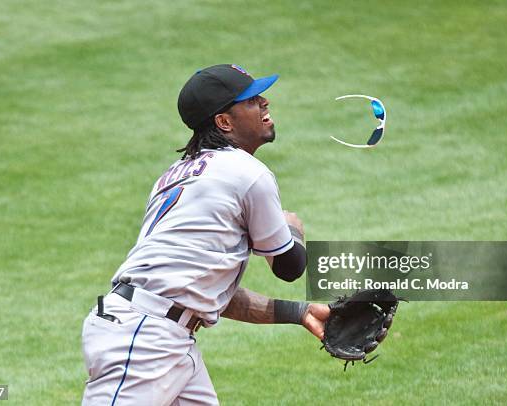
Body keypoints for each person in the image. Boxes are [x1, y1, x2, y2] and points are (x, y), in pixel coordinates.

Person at [81, 64, 330, 405]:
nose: (265, 102)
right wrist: (294, 230)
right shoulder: (246, 172)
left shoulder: (175, 175)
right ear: (224, 122)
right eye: (251, 100)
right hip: (146, 340)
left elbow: (205, 291)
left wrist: (298, 312)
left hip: (159, 333)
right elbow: (289, 266)